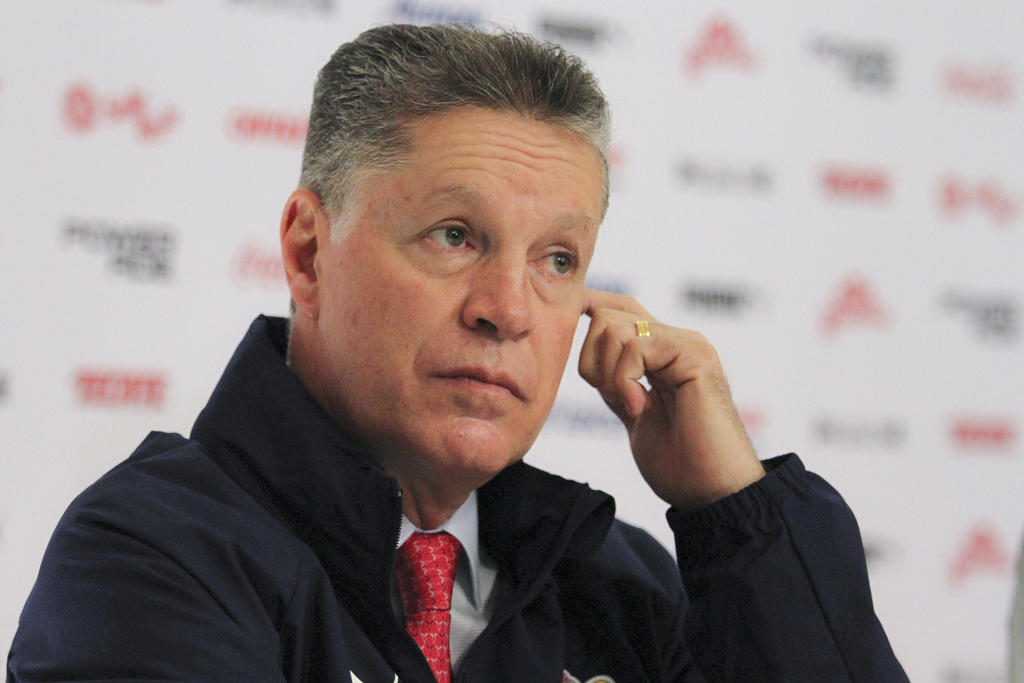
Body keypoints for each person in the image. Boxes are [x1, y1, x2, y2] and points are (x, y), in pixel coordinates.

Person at [8, 24, 907, 682]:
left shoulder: (622, 586)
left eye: (558, 260)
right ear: (309, 252)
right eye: (454, 235)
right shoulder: (148, 555)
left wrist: (734, 513)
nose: (508, 310)